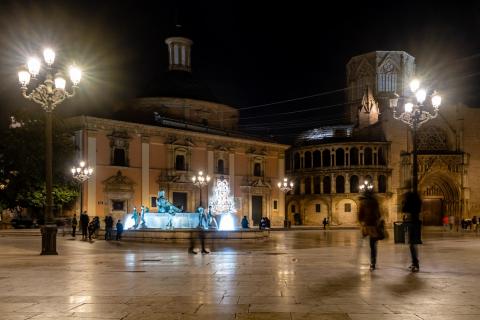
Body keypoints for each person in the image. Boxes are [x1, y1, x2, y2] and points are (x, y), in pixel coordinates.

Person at [358, 190, 384, 271]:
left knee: (370, 245)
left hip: (367, 226)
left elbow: (360, 215)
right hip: (374, 226)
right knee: (373, 246)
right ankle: (373, 263)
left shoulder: (363, 202)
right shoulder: (375, 202)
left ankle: (372, 262)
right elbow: (379, 214)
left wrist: (362, 223)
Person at [402, 192, 422, 272]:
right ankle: (415, 262)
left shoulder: (409, 201)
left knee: (412, 244)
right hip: (416, 223)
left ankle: (415, 263)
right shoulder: (417, 201)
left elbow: (404, 209)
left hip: (412, 223)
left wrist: (405, 202)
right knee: (413, 244)